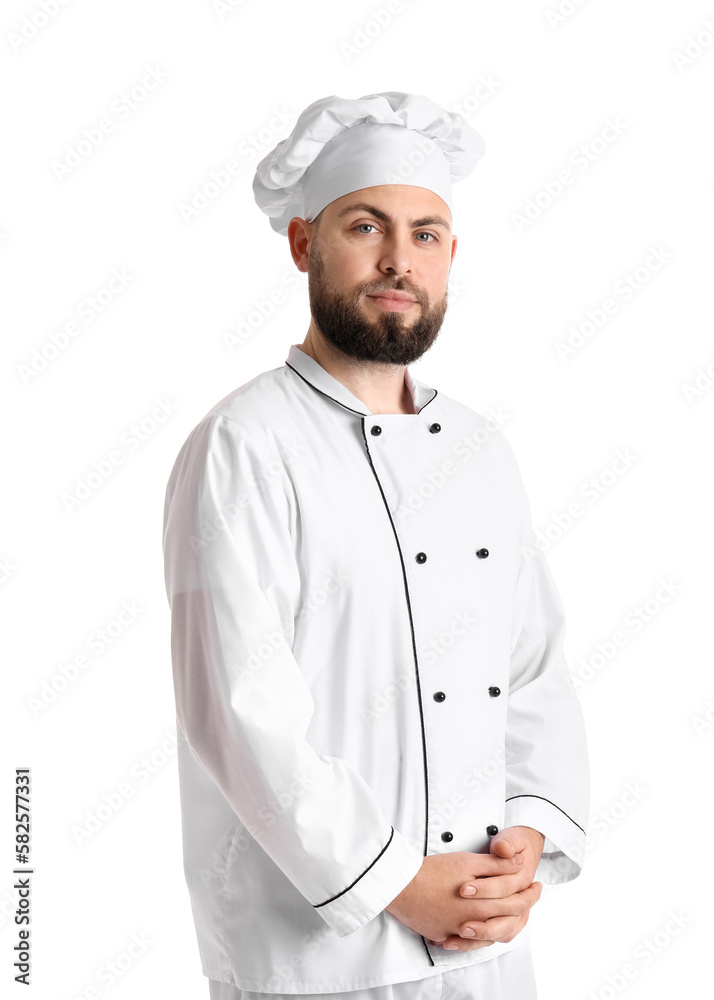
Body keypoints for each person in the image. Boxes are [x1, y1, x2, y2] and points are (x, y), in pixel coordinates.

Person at [162, 91, 590, 1000]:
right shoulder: (245, 444)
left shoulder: (480, 449)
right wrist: (395, 882)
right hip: (315, 956)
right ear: (304, 244)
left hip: (484, 943)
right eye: (368, 226)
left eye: (427, 234)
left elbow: (535, 667)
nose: (401, 261)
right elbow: (239, 712)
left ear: (451, 257)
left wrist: (529, 834)